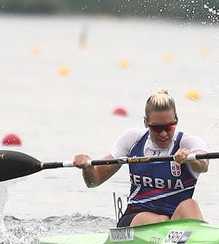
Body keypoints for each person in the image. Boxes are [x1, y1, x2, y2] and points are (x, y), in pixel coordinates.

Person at [73, 89, 209, 228]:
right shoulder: (133, 139)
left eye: (169, 127)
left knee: (190, 205)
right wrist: (87, 167)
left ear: (176, 121)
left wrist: (190, 158)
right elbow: (93, 181)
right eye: (156, 128)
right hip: (135, 218)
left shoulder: (189, 143)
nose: (163, 133)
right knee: (161, 220)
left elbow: (203, 165)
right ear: (145, 122)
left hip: (175, 220)